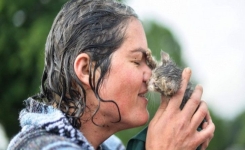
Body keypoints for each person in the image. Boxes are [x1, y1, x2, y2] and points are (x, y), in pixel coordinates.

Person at [7, 0, 215, 149]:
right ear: (87, 70)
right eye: (136, 61)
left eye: (149, 62)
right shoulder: (39, 146)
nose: (149, 74)